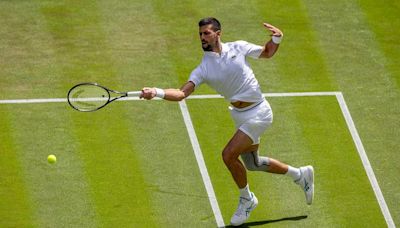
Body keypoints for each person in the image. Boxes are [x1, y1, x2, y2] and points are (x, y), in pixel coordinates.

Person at [140, 17, 314, 226]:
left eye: (206, 33)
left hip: (260, 112)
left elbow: (267, 53)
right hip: (240, 116)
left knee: (228, 155)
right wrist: (156, 92)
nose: (202, 37)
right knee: (253, 164)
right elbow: (180, 93)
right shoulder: (203, 68)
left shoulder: (239, 47)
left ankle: (247, 199)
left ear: (218, 33)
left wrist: (277, 39)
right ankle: (300, 175)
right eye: (200, 34)